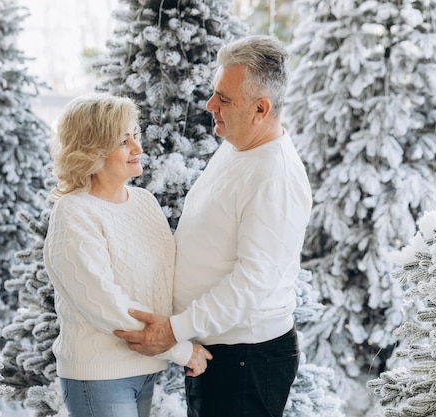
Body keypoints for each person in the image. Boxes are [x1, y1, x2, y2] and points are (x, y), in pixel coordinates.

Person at [113, 35, 313, 417]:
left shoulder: (275, 178)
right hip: (219, 354)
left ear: (260, 108)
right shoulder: (239, 146)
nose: (210, 106)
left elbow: (252, 282)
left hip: (245, 364)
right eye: (214, 93)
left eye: (224, 98)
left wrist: (175, 329)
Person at [43, 93, 213, 417]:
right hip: (100, 375)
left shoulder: (144, 202)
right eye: (124, 141)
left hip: (146, 366)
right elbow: (104, 302)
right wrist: (180, 349)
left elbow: (168, 278)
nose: (138, 148)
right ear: (93, 149)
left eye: (136, 135)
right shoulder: (74, 212)